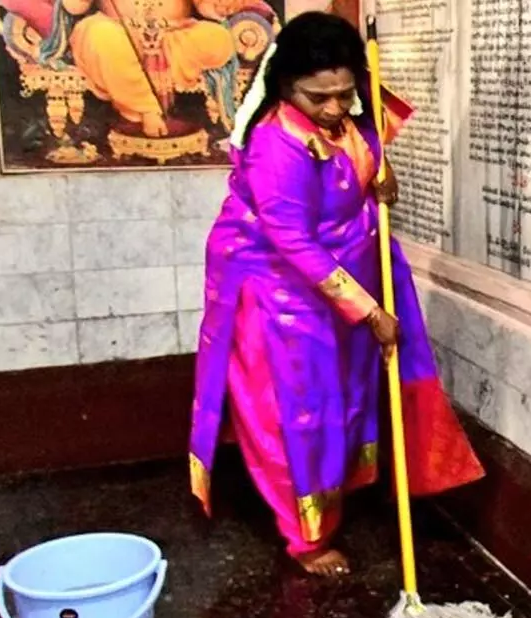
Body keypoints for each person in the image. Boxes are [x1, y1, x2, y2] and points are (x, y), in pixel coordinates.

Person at [188, 12, 484, 576]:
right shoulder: (278, 145)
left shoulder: (348, 120)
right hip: (282, 292)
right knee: (299, 413)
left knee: (345, 396)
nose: (332, 108)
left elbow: (364, 162)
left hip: (345, 276)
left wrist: (381, 178)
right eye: (317, 96)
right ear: (283, 86)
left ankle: (338, 489)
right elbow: (293, 241)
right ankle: (306, 538)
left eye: (344, 95)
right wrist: (370, 310)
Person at [62, 0, 245, 136]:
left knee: (219, 39)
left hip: (172, 37)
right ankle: (146, 109)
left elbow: (209, 8)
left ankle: (154, 84)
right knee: (101, 36)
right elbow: (74, 7)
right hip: (116, 32)